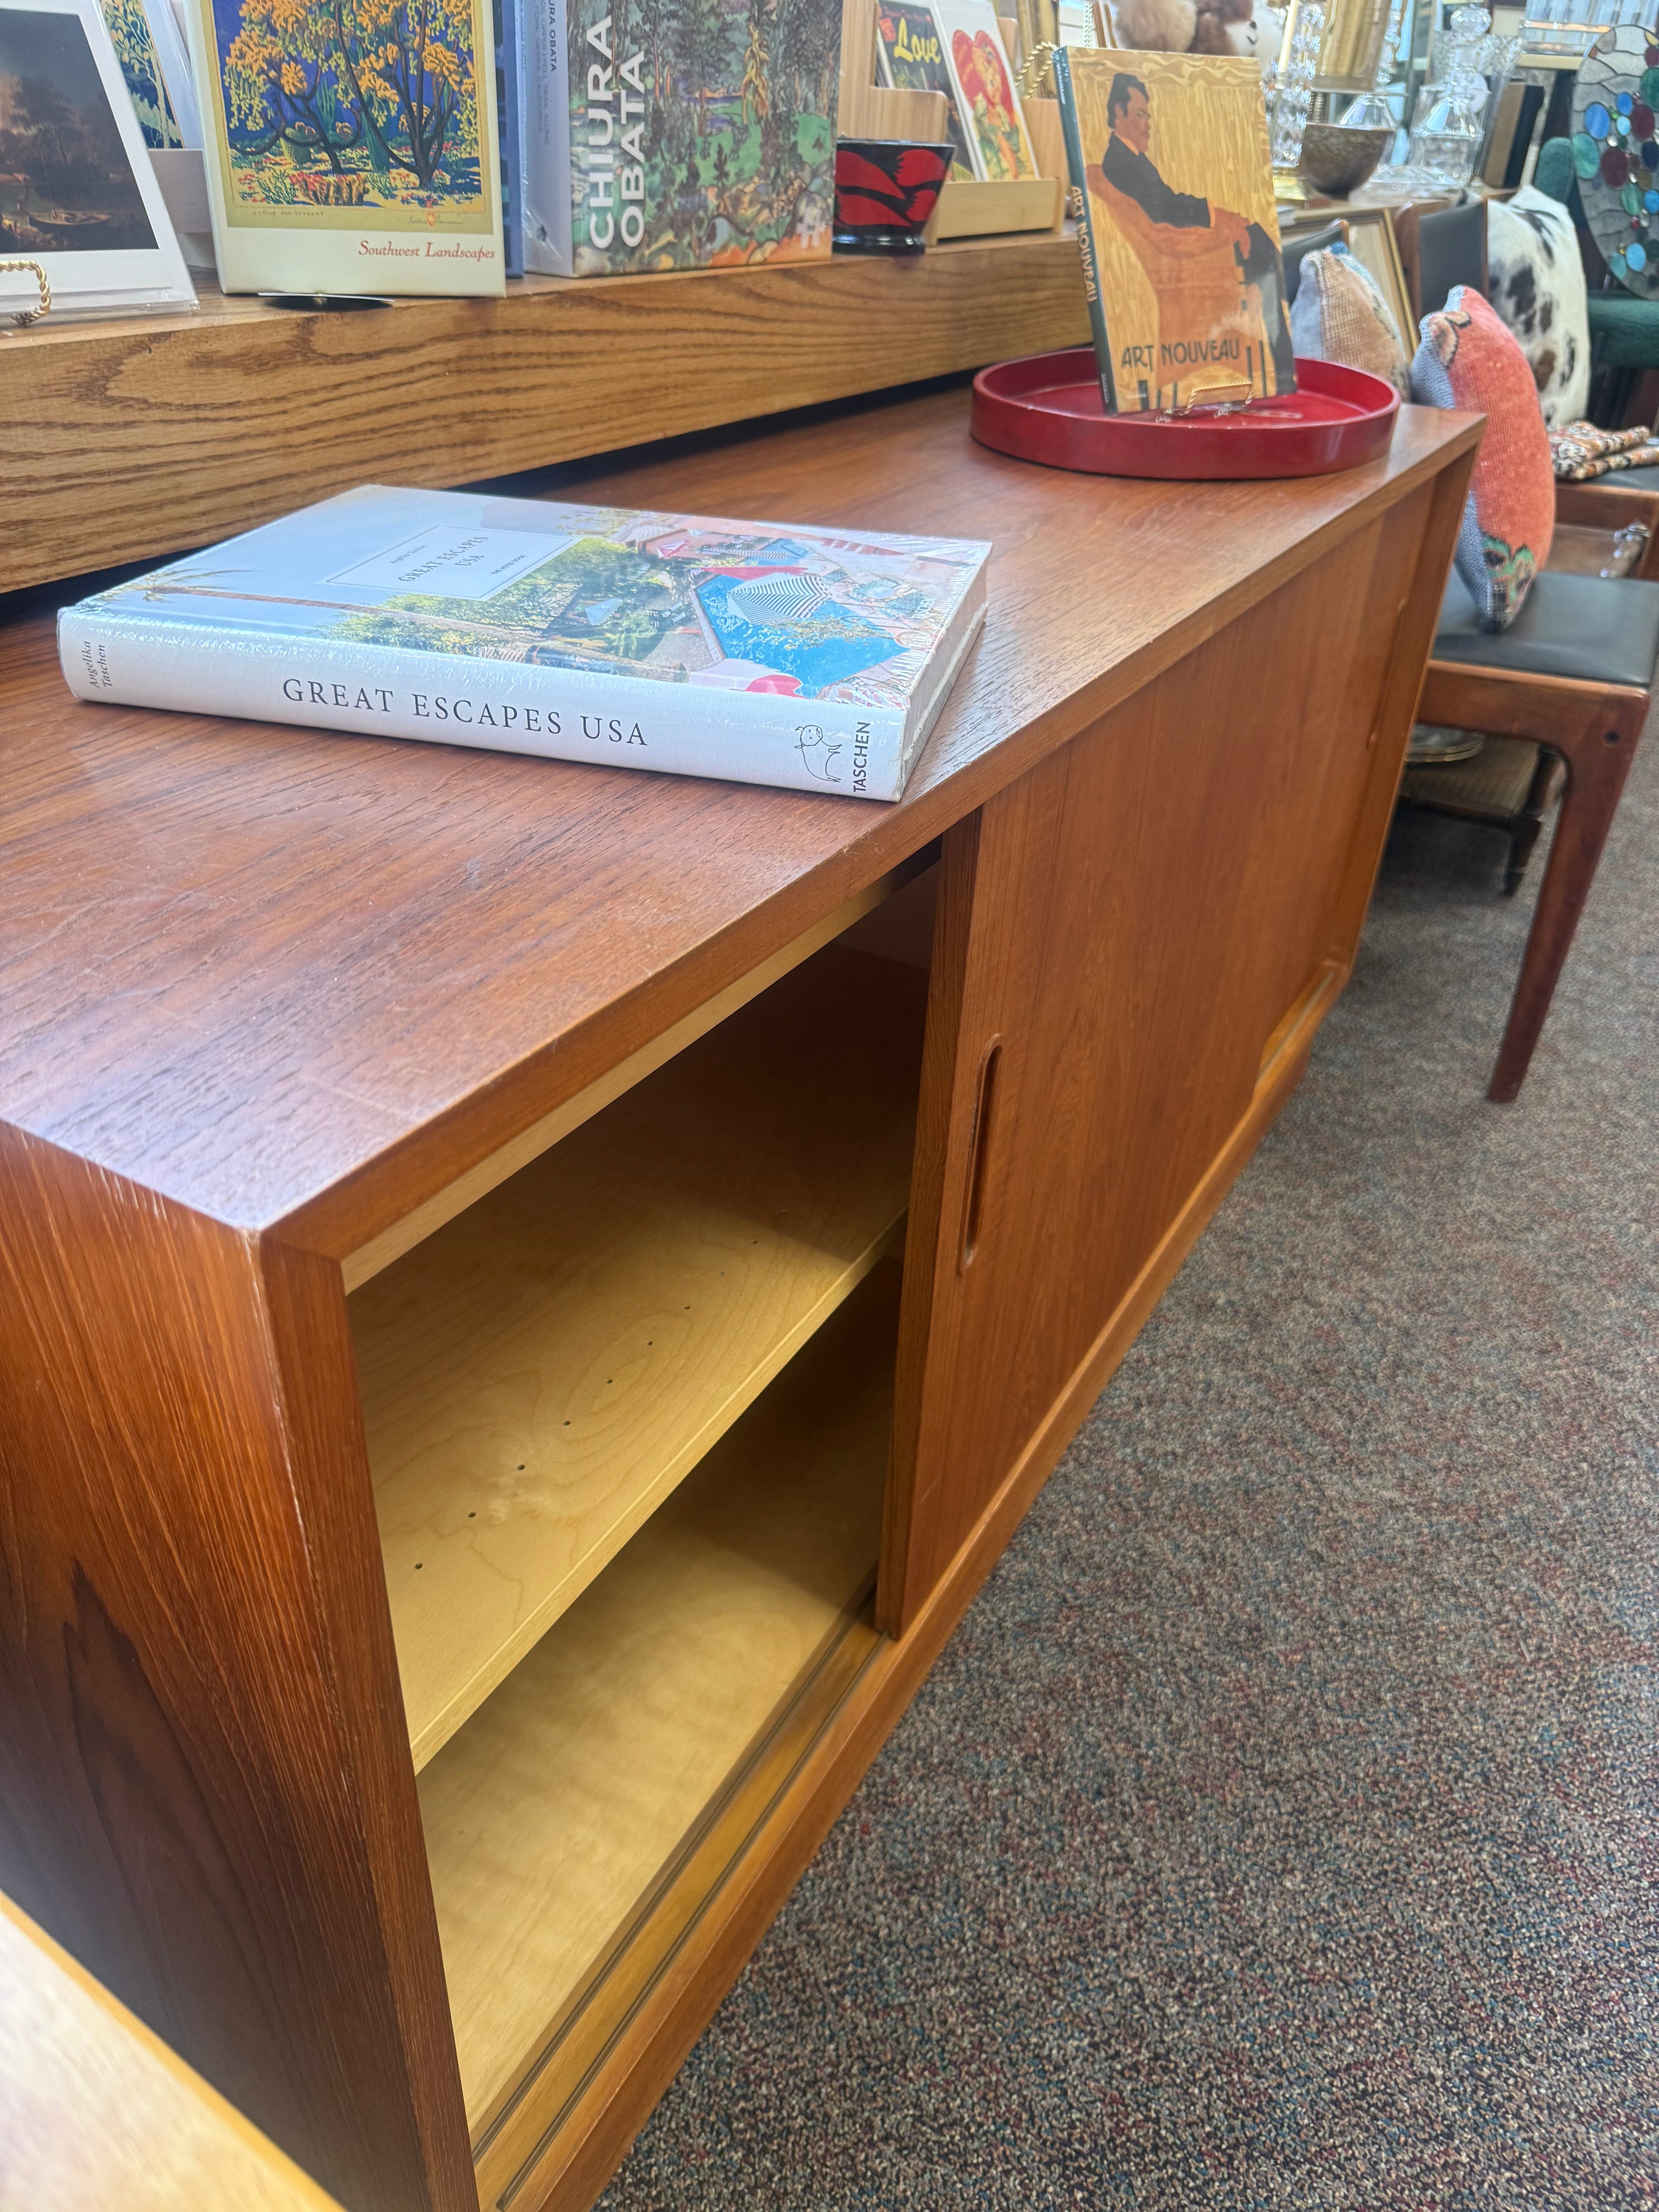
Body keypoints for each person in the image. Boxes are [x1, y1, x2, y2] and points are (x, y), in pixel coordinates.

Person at [1098, 72, 1294, 395]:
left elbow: (1166, 203)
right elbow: (1164, 211)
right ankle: (1284, 368)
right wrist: (1216, 217)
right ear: (1118, 114)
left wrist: (1218, 215)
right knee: (1260, 246)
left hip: (1187, 240)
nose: (1147, 123)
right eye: (1139, 114)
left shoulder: (1131, 158)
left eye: (1148, 115)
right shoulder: (1120, 162)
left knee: (1261, 248)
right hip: (1187, 254)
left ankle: (1278, 333)